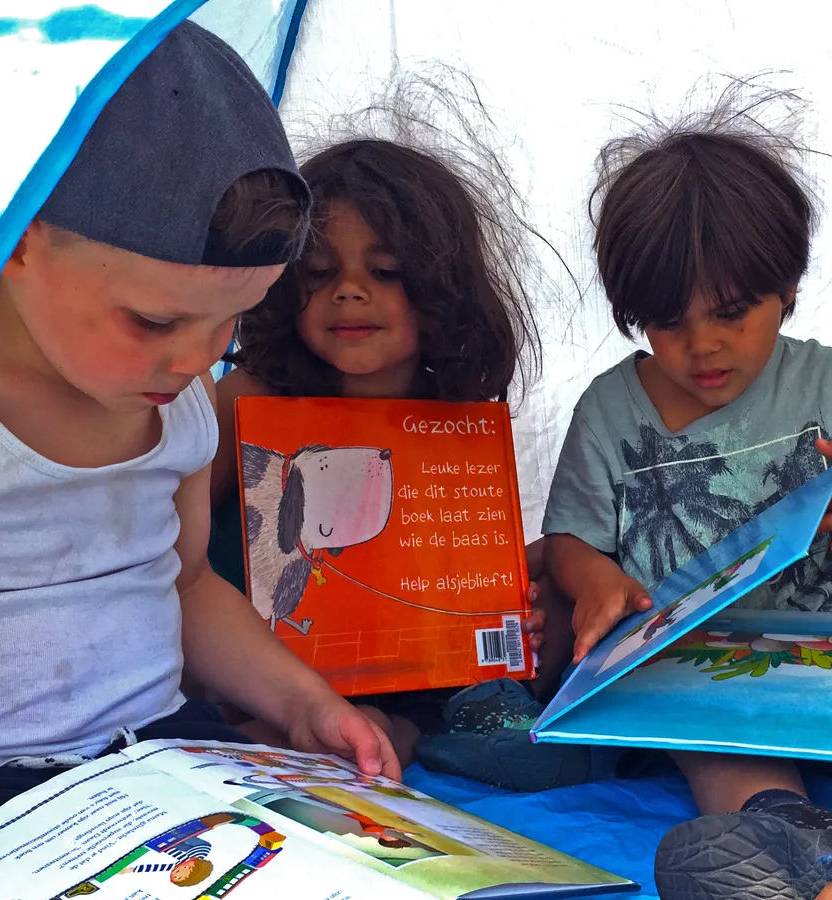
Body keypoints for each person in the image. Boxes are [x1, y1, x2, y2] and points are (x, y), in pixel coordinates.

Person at [0, 23, 397, 899]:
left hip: (165, 759)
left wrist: (304, 703)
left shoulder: (182, 401)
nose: (197, 357)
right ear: (15, 237)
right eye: (154, 320)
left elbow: (185, 584)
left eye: (233, 320)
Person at [540, 81, 832, 900]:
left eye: (731, 311)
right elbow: (569, 540)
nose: (703, 345)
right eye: (670, 322)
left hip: (829, 656)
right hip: (688, 668)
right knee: (721, 750)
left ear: (787, 286)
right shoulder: (611, 410)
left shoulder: (824, 382)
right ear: (632, 313)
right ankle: (799, 849)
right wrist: (596, 579)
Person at [205, 85, 575, 783]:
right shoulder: (249, 398)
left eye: (384, 272)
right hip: (257, 676)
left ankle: (435, 726)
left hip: (410, 679)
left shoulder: (453, 420)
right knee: (347, 728)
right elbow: (166, 551)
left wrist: (509, 611)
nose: (349, 291)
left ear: (439, 289)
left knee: (561, 567)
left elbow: (457, 581)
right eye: (320, 273)